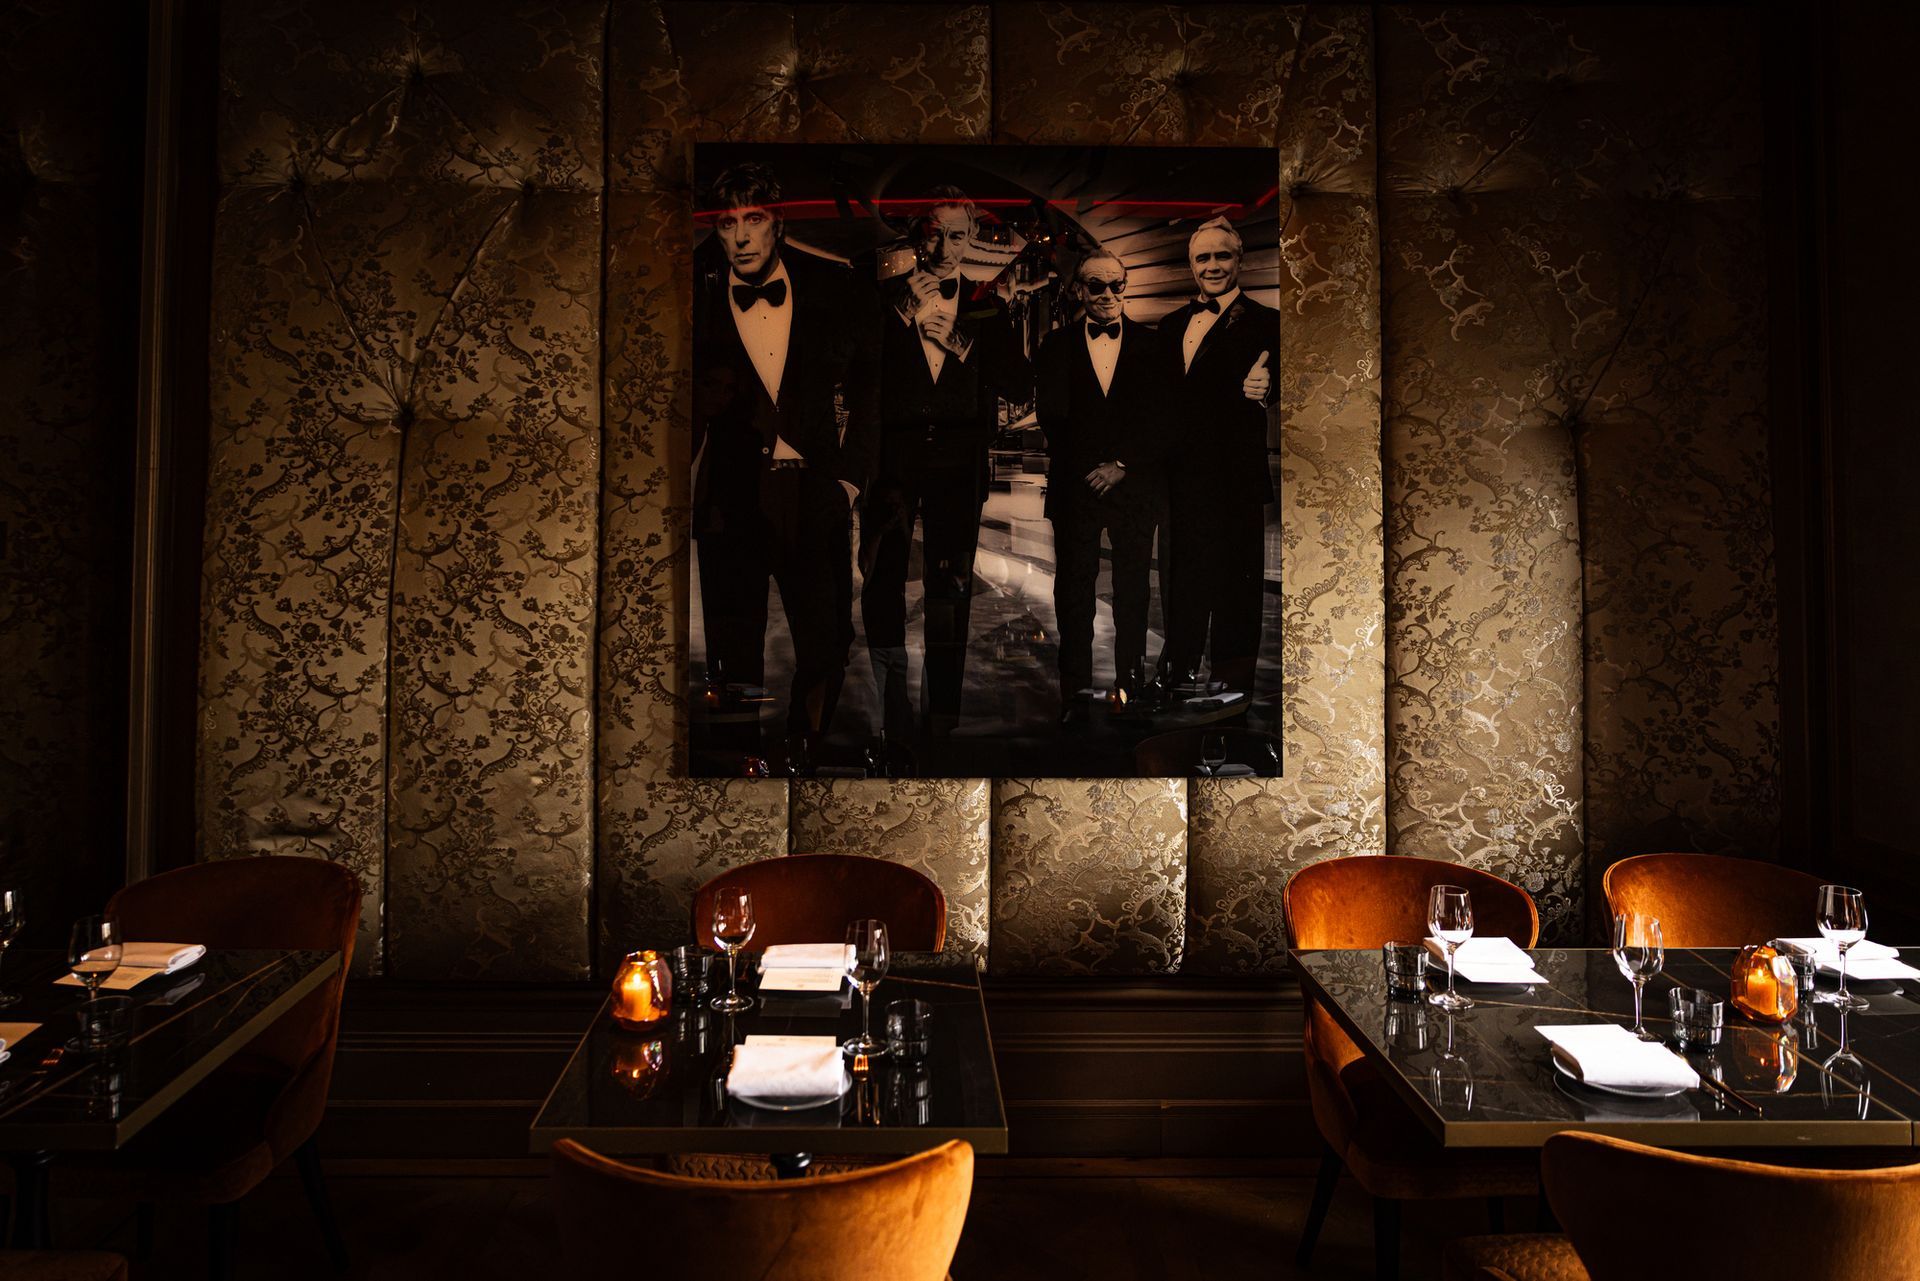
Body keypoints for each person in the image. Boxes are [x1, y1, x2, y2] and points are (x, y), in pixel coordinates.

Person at [691, 161, 878, 757]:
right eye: (727, 223)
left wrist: (849, 478)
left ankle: (806, 749)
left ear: (778, 223)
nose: (741, 237)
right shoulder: (686, 285)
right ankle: (738, 770)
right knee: (732, 651)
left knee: (826, 642)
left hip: (814, 495)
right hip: (731, 496)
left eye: (754, 220)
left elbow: (872, 387)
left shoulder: (833, 284)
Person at [861, 185, 1033, 745]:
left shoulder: (985, 308)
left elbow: (1020, 384)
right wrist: (904, 309)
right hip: (893, 464)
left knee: (951, 585)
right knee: (883, 577)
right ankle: (888, 707)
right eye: (934, 232)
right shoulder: (882, 299)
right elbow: (854, 369)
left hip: (959, 466)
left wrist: (960, 343)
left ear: (970, 239)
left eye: (956, 233)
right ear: (918, 236)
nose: (945, 244)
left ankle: (944, 715)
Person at [1033, 251, 1163, 724]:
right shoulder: (1054, 346)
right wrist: (1095, 467)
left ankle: (1130, 682)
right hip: (1075, 487)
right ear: (1078, 291)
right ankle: (1075, 693)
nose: (1108, 295)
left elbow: (1158, 417)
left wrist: (1121, 464)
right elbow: (1052, 415)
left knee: (1133, 591)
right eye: (1096, 286)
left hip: (1133, 487)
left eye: (1116, 285)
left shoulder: (1153, 346)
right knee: (1073, 593)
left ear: (1125, 288)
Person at [1152, 215, 1277, 694]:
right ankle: (1178, 672)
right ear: (1191, 265)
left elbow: (1292, 380)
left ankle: (1232, 685)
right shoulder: (1169, 326)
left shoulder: (1269, 323)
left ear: (1239, 260)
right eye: (1202, 257)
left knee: (1236, 592)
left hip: (1233, 481)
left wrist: (1270, 386)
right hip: (1178, 482)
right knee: (1180, 585)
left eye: (1222, 255)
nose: (1212, 265)